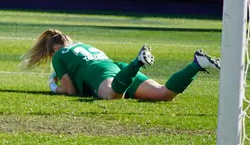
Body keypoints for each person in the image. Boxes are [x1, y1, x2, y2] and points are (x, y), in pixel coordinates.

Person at [23, 29, 220, 101]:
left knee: (112, 95)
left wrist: (52, 87)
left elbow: (70, 91)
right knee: (164, 93)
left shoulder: (60, 56)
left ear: (54, 49)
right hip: (116, 68)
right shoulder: (83, 46)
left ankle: (137, 63)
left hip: (101, 73)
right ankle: (196, 64)